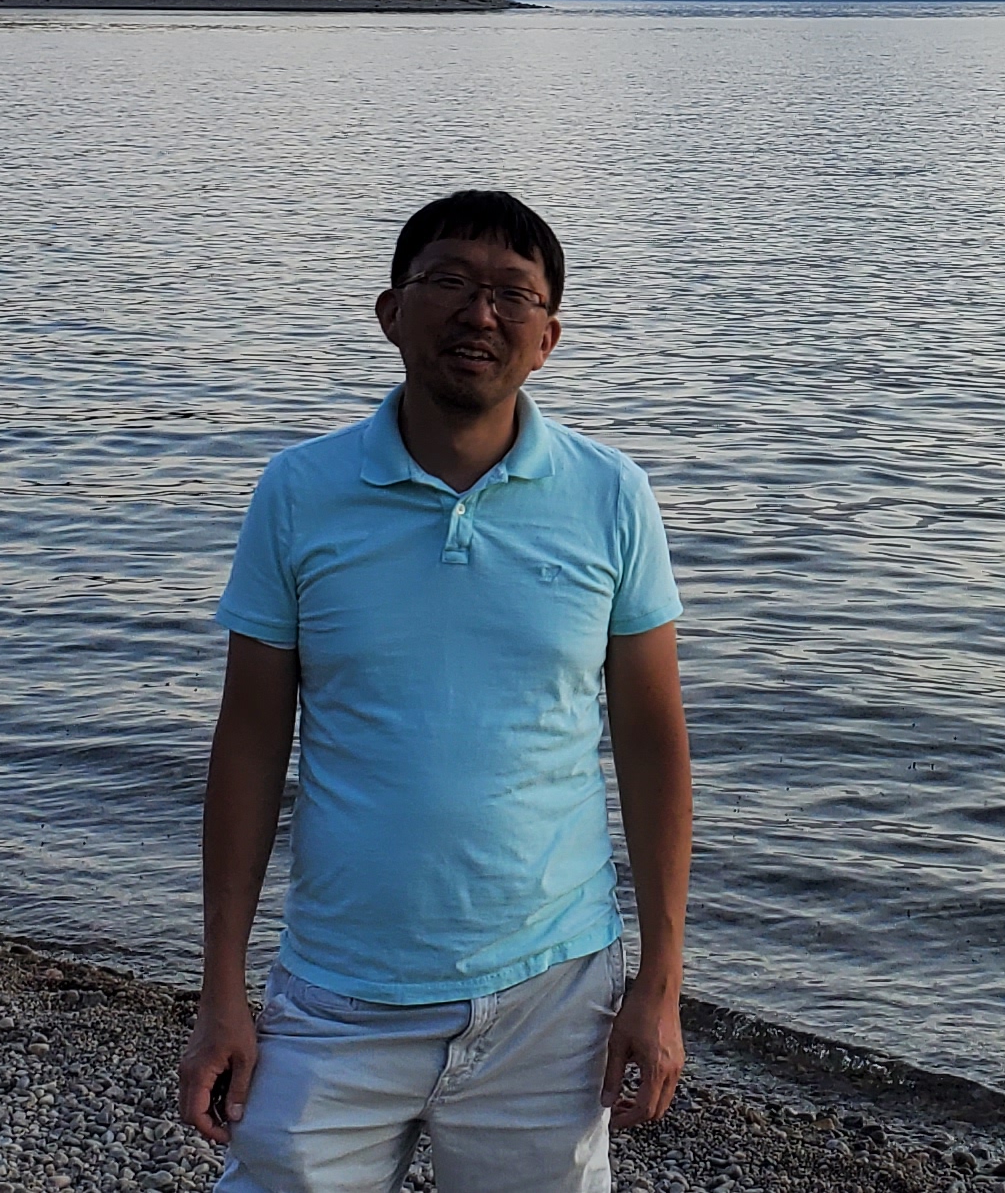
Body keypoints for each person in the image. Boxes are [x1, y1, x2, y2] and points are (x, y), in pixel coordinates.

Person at [181, 190, 691, 1193]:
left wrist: (661, 986)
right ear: (391, 312)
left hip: (552, 994)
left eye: (513, 294)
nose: (479, 313)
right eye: (449, 281)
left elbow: (653, 744)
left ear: (548, 337)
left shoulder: (611, 495)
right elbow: (248, 744)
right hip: (335, 989)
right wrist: (221, 992)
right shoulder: (300, 492)